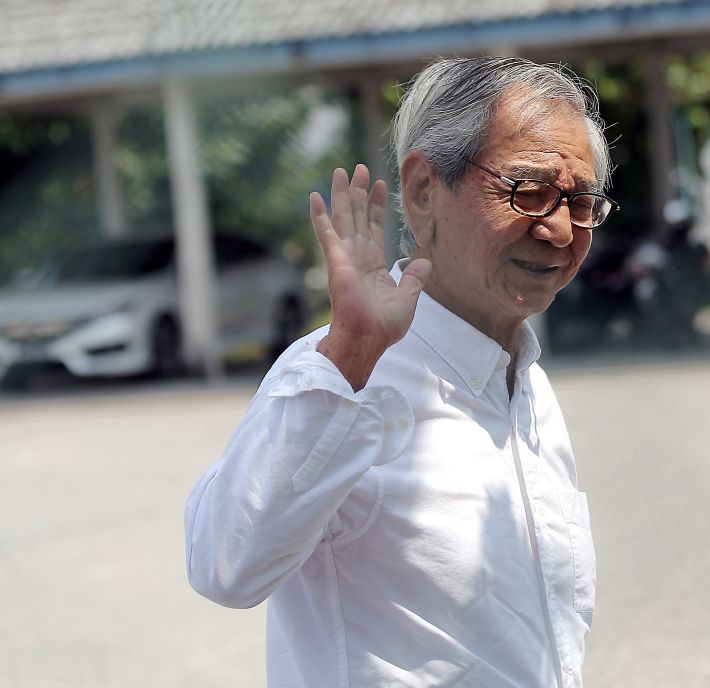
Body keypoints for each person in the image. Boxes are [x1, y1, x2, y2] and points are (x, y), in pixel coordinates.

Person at [184, 56, 619, 688]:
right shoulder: (340, 374)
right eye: (527, 191)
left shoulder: (526, 384)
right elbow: (224, 566)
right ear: (422, 191)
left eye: (579, 202)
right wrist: (351, 355)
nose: (557, 229)